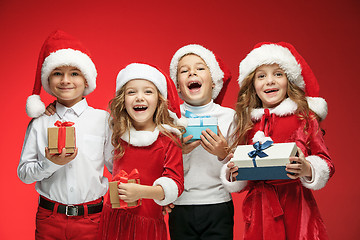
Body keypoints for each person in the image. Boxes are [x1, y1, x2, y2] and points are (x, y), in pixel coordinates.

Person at [220, 42, 335, 240]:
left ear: (289, 80)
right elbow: (243, 173)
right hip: (259, 211)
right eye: (261, 76)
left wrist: (308, 168)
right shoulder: (246, 122)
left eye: (278, 74)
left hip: (295, 206)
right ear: (252, 85)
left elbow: (326, 161)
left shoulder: (304, 118)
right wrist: (233, 172)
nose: (269, 81)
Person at [17, 30, 113, 239]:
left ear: (87, 80)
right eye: (57, 73)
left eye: (74, 73)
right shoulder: (40, 122)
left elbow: (118, 165)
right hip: (49, 219)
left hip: (93, 220)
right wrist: (49, 163)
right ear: (48, 80)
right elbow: (24, 173)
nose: (65, 80)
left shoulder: (103, 120)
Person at [99, 63, 184, 240]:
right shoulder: (116, 133)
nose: (139, 97)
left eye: (148, 91)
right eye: (131, 92)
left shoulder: (168, 139)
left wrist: (142, 192)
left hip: (147, 226)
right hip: (114, 221)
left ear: (159, 100)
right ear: (122, 100)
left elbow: (175, 184)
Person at [167, 44, 235, 240]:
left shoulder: (230, 116)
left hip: (219, 204)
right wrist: (178, 152)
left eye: (200, 68)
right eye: (184, 71)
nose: (192, 73)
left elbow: (241, 166)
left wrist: (223, 152)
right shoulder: (170, 118)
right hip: (180, 206)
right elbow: (159, 162)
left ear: (213, 82)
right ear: (177, 86)